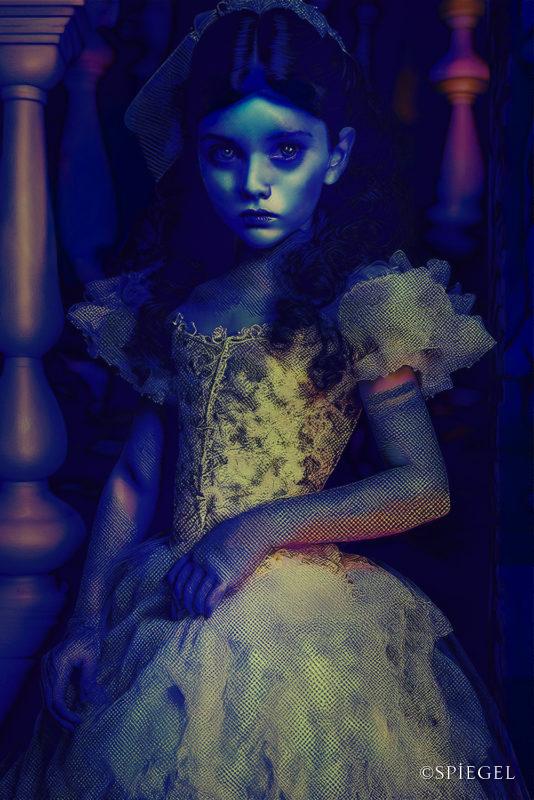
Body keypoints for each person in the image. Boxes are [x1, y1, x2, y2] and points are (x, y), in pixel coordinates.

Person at [1, 2, 529, 798]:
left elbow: (424, 486)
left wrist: (256, 529)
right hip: (166, 607)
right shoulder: (174, 302)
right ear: (194, 153)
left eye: (285, 149)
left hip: (302, 621)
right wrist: (85, 620)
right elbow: (136, 480)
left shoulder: (361, 305)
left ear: (335, 155)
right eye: (224, 152)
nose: (253, 182)